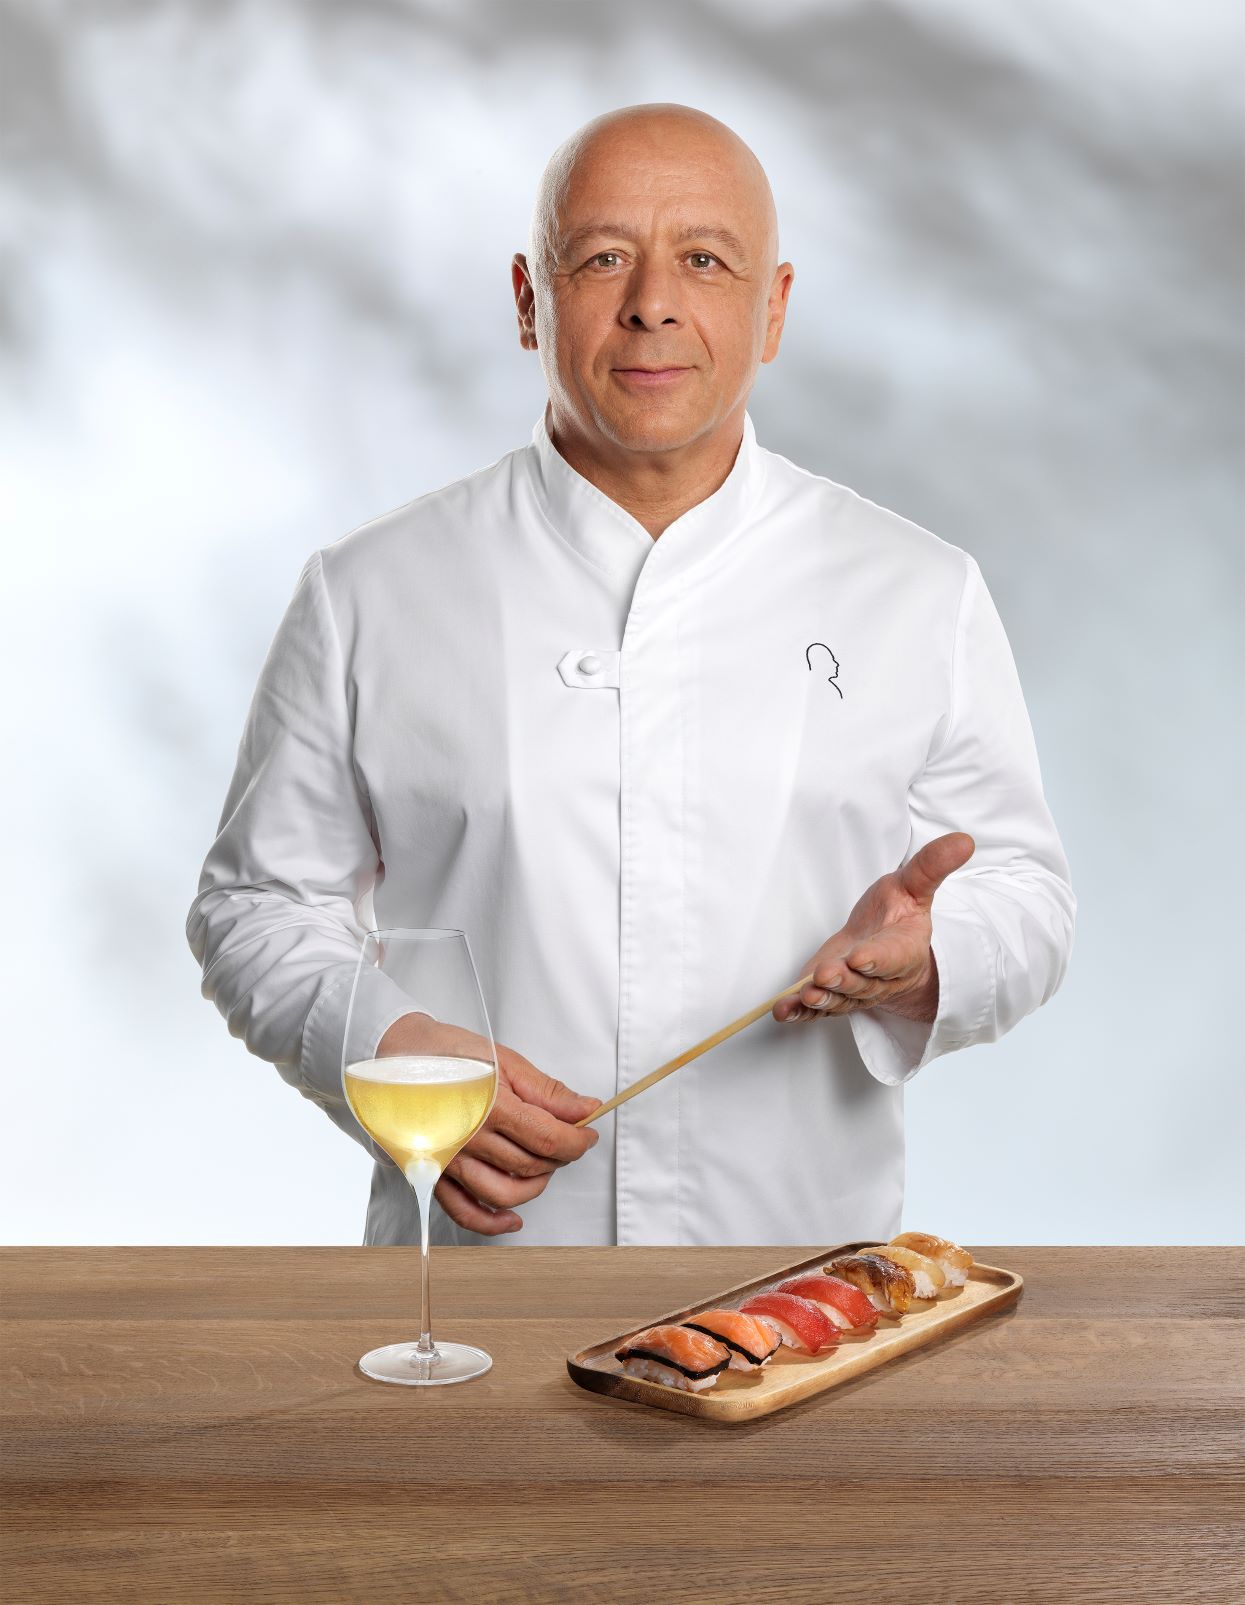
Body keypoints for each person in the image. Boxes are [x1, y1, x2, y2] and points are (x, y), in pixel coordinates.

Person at [187, 102, 1075, 1248]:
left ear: (774, 309)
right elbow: (255, 906)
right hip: (478, 1290)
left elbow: (1024, 895)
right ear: (528, 301)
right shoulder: (368, 591)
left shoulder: (917, 589)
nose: (654, 302)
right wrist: (389, 1048)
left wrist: (925, 965)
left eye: (705, 261)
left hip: (801, 1284)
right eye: (604, 258)